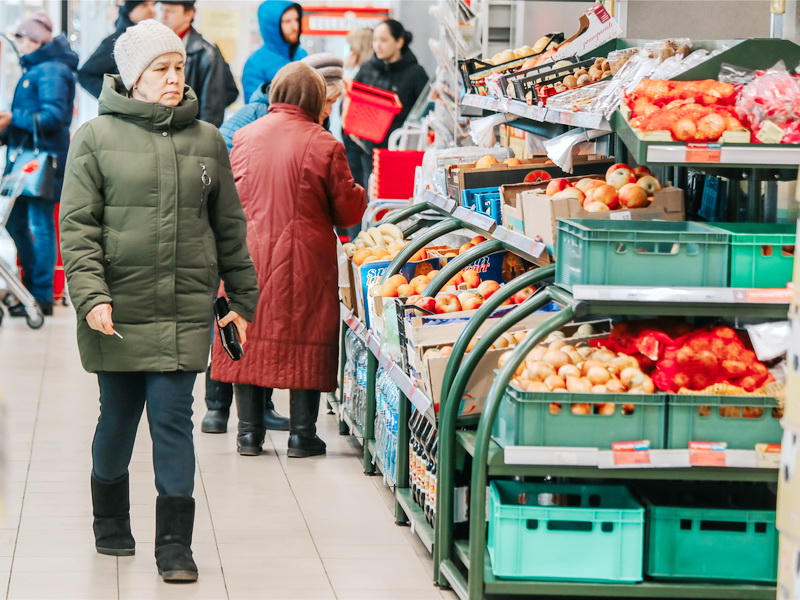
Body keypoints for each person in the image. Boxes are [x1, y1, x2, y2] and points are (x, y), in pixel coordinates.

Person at [59, 20, 259, 583]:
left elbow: (230, 231)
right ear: (133, 78)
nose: (174, 78)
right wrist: (91, 296)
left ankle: (175, 545)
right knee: (117, 420)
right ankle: (110, 520)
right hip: (117, 313)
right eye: (161, 70)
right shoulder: (94, 139)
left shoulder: (208, 140)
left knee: (174, 420)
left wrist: (243, 298)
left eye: (178, 67)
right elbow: (78, 228)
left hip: (182, 310)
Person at [211, 62, 366, 459]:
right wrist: (361, 193)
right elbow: (347, 212)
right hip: (305, 258)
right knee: (306, 335)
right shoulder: (325, 143)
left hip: (247, 253)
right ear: (316, 98)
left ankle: (248, 434)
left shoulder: (244, 137)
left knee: (249, 336)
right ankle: (302, 436)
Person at [0, 12, 78, 317]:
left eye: (22, 37)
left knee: (39, 226)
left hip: (43, 162)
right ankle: (30, 290)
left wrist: (10, 119)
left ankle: (42, 295)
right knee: (19, 223)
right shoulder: (38, 69)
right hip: (28, 160)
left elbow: (55, 118)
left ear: (34, 39)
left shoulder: (51, 71)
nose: (18, 44)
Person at [351, 20, 429, 188]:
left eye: (384, 40)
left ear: (399, 42)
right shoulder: (366, 69)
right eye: (375, 40)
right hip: (369, 152)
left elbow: (427, 110)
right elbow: (351, 101)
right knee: (371, 201)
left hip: (401, 154)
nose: (378, 45)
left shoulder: (416, 73)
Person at [220, 52, 345, 150]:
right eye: (326, 100)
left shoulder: (322, 130)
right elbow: (220, 152)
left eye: (333, 102)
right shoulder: (256, 113)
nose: (328, 110)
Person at [157, 0, 238, 126]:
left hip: (190, 131)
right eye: (162, 10)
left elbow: (212, 108)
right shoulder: (158, 46)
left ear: (189, 14)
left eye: (170, 11)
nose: (163, 17)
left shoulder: (207, 53)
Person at [77, 1, 157, 98]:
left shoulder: (155, 38)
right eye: (144, 5)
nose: (152, 10)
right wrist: (115, 98)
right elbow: (85, 74)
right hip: (128, 110)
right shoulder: (118, 41)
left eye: (153, 5)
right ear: (130, 10)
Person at [241, 0, 307, 101]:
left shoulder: (303, 55)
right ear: (272, 26)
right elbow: (255, 107)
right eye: (287, 21)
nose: (295, 27)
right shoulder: (255, 64)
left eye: (297, 20)